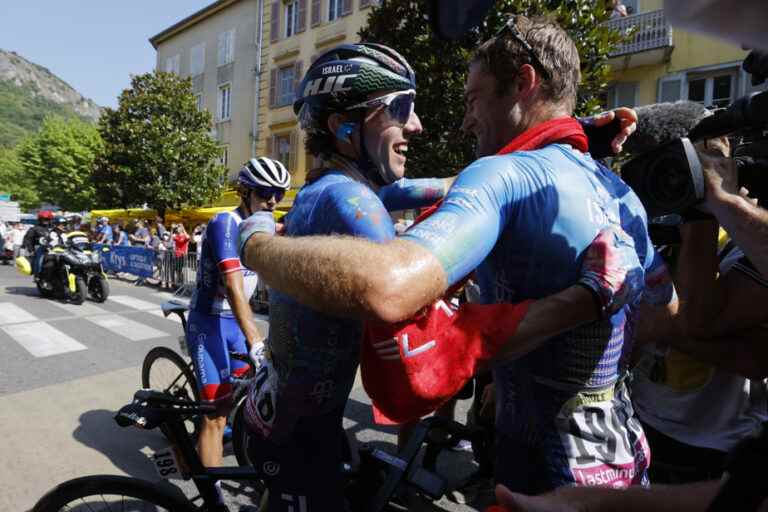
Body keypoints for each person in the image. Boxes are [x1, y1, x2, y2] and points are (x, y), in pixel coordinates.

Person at [239, 20, 675, 498]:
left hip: (539, 475)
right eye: (402, 108)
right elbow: (667, 315)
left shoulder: (339, 191)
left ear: (524, 84)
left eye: (472, 99)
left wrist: (255, 242)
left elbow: (406, 342)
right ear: (343, 125)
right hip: (621, 463)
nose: (430, 124)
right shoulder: (618, 192)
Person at [187, 156, 290, 507]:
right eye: (265, 192)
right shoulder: (224, 223)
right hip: (210, 324)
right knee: (215, 415)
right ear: (245, 192)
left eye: (279, 192)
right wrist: (256, 339)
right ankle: (211, 499)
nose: (273, 200)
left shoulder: (265, 227)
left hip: (237, 323)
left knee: (254, 398)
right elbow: (233, 285)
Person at [23, 210, 53, 275]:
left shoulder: (53, 228)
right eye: (43, 219)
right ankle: (38, 274)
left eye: (47, 219)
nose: (45, 221)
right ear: (40, 219)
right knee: (40, 259)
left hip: (54, 248)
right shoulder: (34, 229)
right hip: (40, 248)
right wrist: (31, 250)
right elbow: (28, 240)